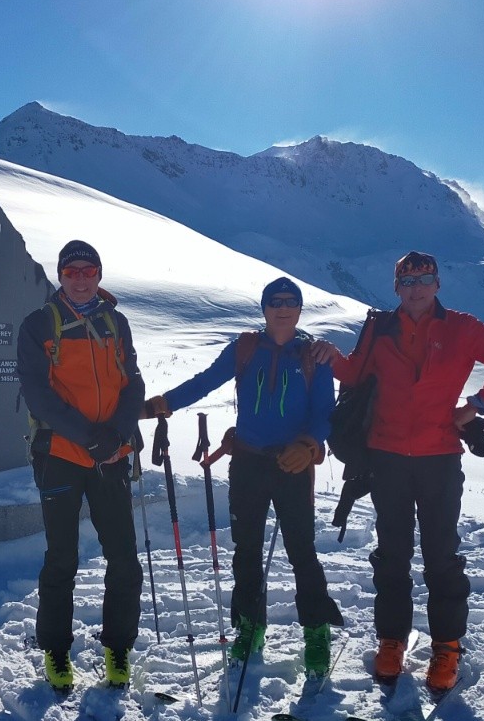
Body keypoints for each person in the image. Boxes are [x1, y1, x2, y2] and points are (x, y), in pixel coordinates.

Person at [311, 251, 484, 693]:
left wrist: (475, 407)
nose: (415, 288)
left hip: (438, 457)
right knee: (392, 554)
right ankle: (391, 642)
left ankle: (447, 648)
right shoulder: (379, 328)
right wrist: (331, 356)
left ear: (437, 284)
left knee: (441, 557)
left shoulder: (463, 329)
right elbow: (355, 373)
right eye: (407, 281)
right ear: (396, 287)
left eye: (424, 279)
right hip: (386, 457)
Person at [142, 277, 341, 677]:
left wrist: (309, 446)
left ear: (299, 309)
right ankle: (250, 626)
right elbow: (205, 382)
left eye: (291, 302)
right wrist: (165, 403)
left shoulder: (313, 356)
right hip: (248, 463)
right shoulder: (245, 348)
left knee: (302, 550)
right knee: (245, 550)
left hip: (293, 466)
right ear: (264, 308)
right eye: (275, 302)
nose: (283, 308)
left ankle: (316, 631)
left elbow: (325, 412)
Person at [17, 240, 146, 692]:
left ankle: (118, 648)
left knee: (125, 560)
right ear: (60, 275)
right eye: (71, 270)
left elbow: (133, 384)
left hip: (110, 454)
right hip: (61, 456)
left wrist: (116, 434)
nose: (80, 277)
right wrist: (91, 438)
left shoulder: (117, 322)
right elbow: (38, 395)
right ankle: (55, 650)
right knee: (62, 559)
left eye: (88, 270)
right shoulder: (40, 325)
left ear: (99, 274)